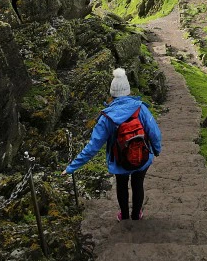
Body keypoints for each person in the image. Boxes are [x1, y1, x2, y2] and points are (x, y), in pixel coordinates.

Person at [62, 67, 162, 221]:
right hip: (142, 156)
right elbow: (154, 132)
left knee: (121, 185)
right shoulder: (141, 108)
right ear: (128, 90)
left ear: (112, 93)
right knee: (138, 183)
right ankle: (136, 215)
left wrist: (72, 167)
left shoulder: (107, 117)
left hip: (119, 160)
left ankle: (124, 216)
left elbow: (93, 146)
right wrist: (156, 150)